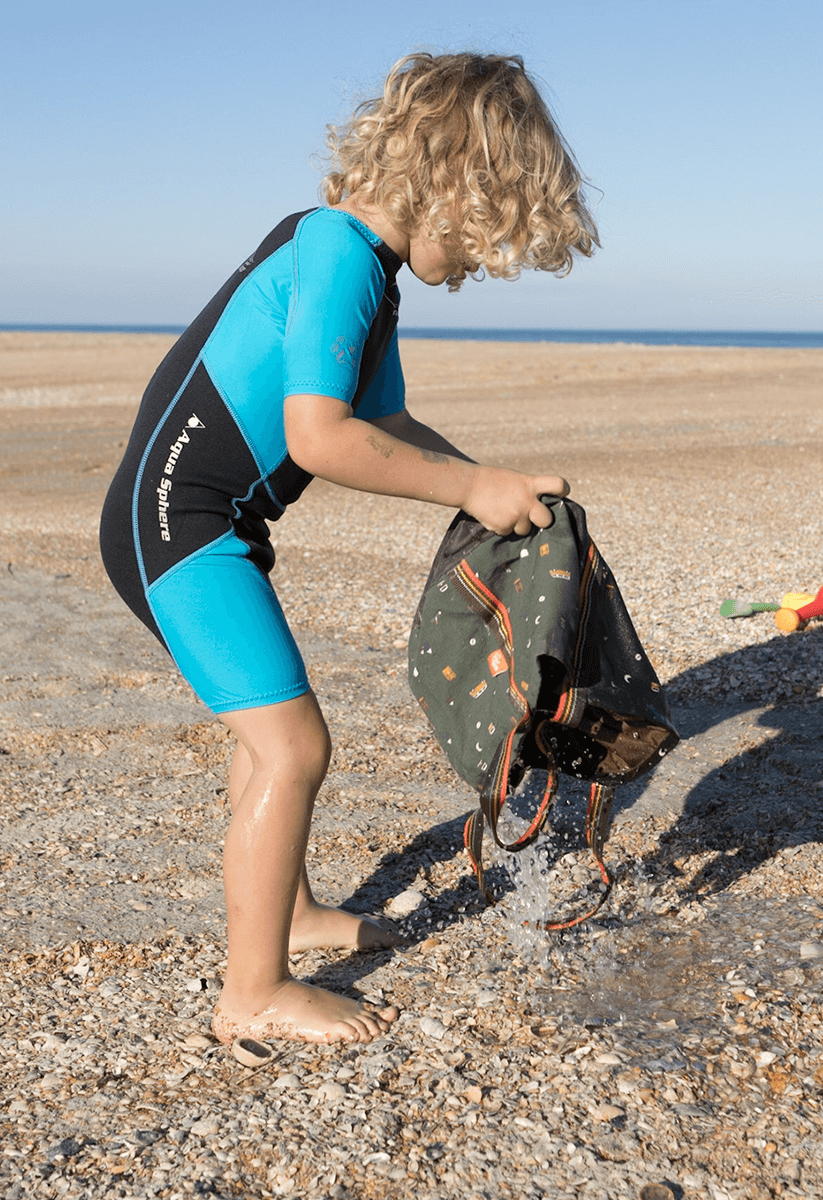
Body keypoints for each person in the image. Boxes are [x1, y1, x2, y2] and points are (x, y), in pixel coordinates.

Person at [99, 51, 598, 1045]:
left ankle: (286, 911)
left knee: (267, 736)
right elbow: (319, 435)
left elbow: (390, 421)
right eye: (486, 239)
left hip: (207, 524)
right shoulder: (336, 254)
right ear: (451, 184)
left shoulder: (357, 265)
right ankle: (252, 994)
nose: (478, 269)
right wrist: (469, 488)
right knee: (293, 745)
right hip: (178, 528)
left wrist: (489, 485)